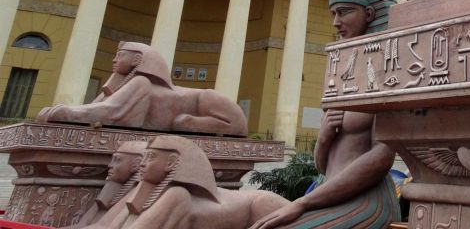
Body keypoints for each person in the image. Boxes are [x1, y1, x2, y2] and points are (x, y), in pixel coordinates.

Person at [250, 0, 401, 229]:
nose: (335, 22)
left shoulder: (390, 72)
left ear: (370, 14)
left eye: (344, 12)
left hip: (365, 200)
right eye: (333, 13)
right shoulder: (339, 73)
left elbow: (381, 160)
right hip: (326, 192)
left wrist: (302, 204)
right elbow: (322, 166)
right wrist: (324, 136)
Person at [37, 41, 248, 135]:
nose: (114, 60)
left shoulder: (142, 82)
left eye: (121, 56)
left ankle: (223, 124)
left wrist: (69, 112)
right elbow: (98, 107)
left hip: (213, 111)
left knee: (207, 96)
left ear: (138, 59)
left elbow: (113, 112)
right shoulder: (127, 82)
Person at [80, 135, 287, 229]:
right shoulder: (145, 191)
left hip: (261, 206)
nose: (141, 164)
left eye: (150, 157)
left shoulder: (177, 195)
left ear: (171, 163)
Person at [65, 141, 148, 228]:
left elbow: (102, 226)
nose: (110, 165)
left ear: (136, 164)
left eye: (118, 160)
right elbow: (82, 225)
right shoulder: (115, 184)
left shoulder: (138, 191)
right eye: (112, 160)